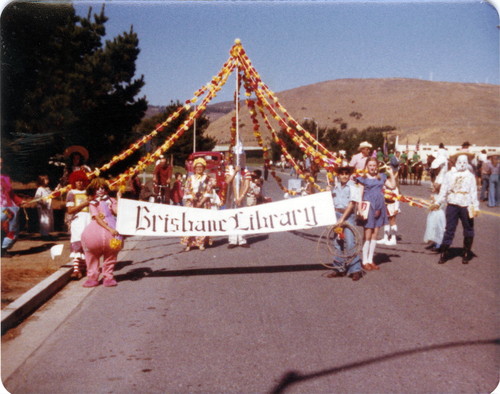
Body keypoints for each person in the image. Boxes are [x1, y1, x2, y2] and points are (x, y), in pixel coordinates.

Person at [430, 153, 479, 264]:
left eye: (464, 162)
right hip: (452, 203)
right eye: (460, 162)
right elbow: (444, 190)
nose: (462, 164)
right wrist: (438, 202)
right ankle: (445, 252)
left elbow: (473, 192)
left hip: (466, 204)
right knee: (449, 229)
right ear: (456, 162)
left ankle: (466, 252)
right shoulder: (449, 174)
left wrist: (475, 207)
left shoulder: (470, 176)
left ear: (467, 163)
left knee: (468, 228)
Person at [355, 157, 396, 271]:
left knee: (375, 234)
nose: (372, 167)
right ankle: (364, 261)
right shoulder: (363, 179)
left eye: (374, 165)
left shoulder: (381, 177)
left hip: (380, 206)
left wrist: (391, 174)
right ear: (367, 166)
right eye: (370, 165)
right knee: (367, 234)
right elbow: (360, 194)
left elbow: (392, 186)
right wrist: (360, 208)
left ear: (377, 166)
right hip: (368, 207)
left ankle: (370, 260)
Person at [81, 178, 123, 287]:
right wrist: (109, 229)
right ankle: (92, 277)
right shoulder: (93, 203)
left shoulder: (111, 200)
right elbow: (97, 218)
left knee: (111, 255)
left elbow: (117, 211)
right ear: (93, 190)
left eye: (102, 188)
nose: (100, 190)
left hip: (112, 230)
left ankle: (108, 277)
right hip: (97, 231)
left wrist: (119, 199)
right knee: (91, 256)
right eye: (97, 188)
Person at [326, 166, 362, 281]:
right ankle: (339, 268)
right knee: (338, 242)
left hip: (348, 217)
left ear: (349, 175)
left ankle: (355, 269)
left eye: (347, 173)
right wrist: (328, 192)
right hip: (336, 215)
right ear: (338, 175)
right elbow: (330, 201)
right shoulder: (335, 187)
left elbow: (352, 204)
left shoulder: (353, 187)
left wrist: (342, 218)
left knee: (351, 242)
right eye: (342, 174)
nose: (344, 175)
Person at [181, 158, 216, 251]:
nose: (199, 169)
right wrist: (193, 198)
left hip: (203, 203)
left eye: (201, 167)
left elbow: (209, 190)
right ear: (194, 168)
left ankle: (201, 243)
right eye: (197, 167)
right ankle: (189, 243)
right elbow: (187, 189)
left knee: (202, 222)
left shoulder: (207, 178)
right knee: (191, 222)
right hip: (192, 202)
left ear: (204, 168)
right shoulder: (190, 178)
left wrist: (201, 202)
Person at [66, 170, 91, 279]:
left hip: (89, 220)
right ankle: (76, 270)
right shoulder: (71, 193)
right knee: (77, 244)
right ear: (74, 182)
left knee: (88, 244)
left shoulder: (88, 192)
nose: (80, 183)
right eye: (77, 181)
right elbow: (70, 210)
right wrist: (84, 203)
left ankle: (85, 267)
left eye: (81, 181)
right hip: (77, 221)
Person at [1, 157, 27, 257]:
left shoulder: (5, 178)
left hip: (7, 209)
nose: (0, 165)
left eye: (1, 163)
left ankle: (3, 249)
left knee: (10, 229)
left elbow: (11, 194)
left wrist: (20, 201)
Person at [225, 162, 251, 248]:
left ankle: (242, 239)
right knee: (231, 217)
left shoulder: (246, 170)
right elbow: (227, 181)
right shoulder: (229, 168)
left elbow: (247, 185)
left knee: (242, 217)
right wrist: (235, 172)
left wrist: (241, 197)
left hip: (242, 199)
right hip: (231, 198)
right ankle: (232, 240)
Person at [377, 175, 401, 246]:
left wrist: (396, 208)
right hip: (386, 205)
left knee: (392, 221)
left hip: (392, 206)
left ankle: (393, 239)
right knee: (386, 222)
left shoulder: (394, 188)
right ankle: (385, 237)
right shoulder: (384, 186)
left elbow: (397, 198)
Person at [423, 184, 446, 252]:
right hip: (433, 214)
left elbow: (438, 206)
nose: (431, 188)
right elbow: (431, 205)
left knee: (438, 228)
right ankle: (435, 242)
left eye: (433, 187)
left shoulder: (440, 197)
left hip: (438, 214)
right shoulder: (434, 195)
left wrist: (433, 201)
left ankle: (439, 244)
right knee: (432, 228)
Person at [35, 175, 54, 240]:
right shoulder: (40, 189)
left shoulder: (47, 188)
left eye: (47, 179)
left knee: (48, 219)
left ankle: (47, 233)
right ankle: (44, 234)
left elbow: (52, 195)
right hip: (43, 207)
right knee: (44, 220)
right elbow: (37, 198)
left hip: (48, 206)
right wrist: (42, 204)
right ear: (41, 181)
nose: (47, 181)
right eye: (46, 180)